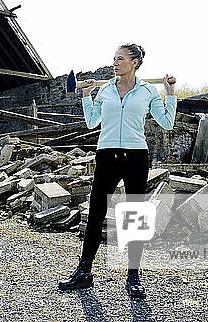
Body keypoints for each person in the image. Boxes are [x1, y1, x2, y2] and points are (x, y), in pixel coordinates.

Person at [58, 43, 177, 298]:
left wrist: (170, 93)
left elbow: (167, 122)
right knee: (96, 213)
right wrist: (87, 96)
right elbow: (92, 122)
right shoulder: (105, 90)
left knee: (134, 216)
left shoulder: (148, 92)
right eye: (114, 58)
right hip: (106, 156)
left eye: (120, 59)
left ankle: (133, 277)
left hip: (136, 157)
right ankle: (84, 272)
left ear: (134, 62)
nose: (115, 62)